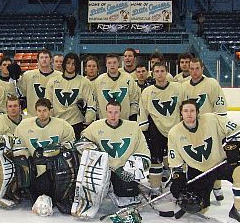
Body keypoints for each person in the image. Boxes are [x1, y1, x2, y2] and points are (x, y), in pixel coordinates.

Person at [168, 99, 240, 223]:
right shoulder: (174, 133)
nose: (189, 114)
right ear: (181, 114)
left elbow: (235, 128)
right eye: (185, 111)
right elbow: (175, 161)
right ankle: (193, 205)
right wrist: (178, 178)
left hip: (219, 164)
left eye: (192, 111)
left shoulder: (211, 119)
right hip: (198, 171)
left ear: (197, 112)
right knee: (197, 207)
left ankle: (237, 211)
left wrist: (233, 145)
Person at [80, 101, 151, 208]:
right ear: (106, 112)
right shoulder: (95, 126)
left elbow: (143, 151)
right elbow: (81, 143)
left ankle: (126, 192)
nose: (113, 116)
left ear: (120, 112)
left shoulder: (133, 127)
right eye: (110, 112)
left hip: (123, 170)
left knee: (127, 190)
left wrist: (132, 169)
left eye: (116, 112)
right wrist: (95, 150)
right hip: (103, 169)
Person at [13, 98, 76, 214]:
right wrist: (27, 158)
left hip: (55, 169)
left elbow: (71, 142)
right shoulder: (24, 126)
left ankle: (63, 197)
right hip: (35, 169)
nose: (42, 114)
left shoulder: (62, 125)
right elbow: (18, 146)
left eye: (45, 110)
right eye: (39, 111)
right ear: (36, 111)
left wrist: (59, 150)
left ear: (50, 111)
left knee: (67, 160)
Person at [182, 57, 228, 200]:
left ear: (202, 69)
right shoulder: (184, 86)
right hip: (191, 128)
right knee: (194, 156)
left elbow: (220, 108)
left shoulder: (212, 84)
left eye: (197, 68)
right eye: (192, 69)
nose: (194, 72)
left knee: (215, 158)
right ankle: (197, 184)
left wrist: (220, 129)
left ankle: (217, 186)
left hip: (210, 128)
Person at [139, 62, 184, 198]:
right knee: (156, 160)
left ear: (166, 72)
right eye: (157, 71)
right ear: (153, 74)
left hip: (175, 131)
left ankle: (179, 186)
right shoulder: (147, 92)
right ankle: (155, 188)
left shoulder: (178, 88)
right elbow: (143, 112)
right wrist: (143, 130)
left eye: (162, 71)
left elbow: (185, 106)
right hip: (155, 131)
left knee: (178, 160)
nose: (160, 74)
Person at [45, 52, 96, 139]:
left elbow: (91, 104)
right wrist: (49, 121)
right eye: (68, 63)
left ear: (77, 66)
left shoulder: (84, 82)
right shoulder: (53, 82)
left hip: (77, 124)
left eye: (73, 64)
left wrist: (87, 123)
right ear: (64, 64)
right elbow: (47, 104)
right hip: (57, 124)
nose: (70, 66)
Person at [92, 54, 140, 121]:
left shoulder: (128, 78)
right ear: (106, 64)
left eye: (114, 62)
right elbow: (95, 101)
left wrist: (132, 116)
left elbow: (134, 100)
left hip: (125, 121)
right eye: (109, 63)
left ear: (119, 64)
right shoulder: (99, 81)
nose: (112, 65)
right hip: (104, 122)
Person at [17, 49, 62, 117]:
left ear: (50, 60)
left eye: (46, 57)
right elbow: (20, 92)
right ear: (38, 60)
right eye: (41, 57)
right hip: (32, 116)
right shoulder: (28, 75)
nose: (44, 59)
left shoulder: (60, 76)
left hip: (54, 116)